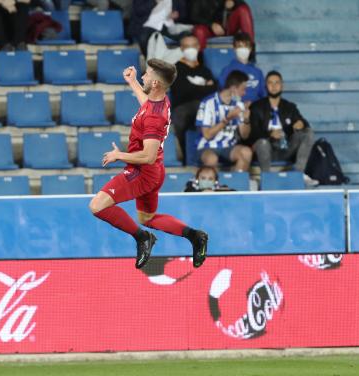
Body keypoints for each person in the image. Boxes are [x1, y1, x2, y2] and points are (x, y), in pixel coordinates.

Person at [89, 59, 208, 270]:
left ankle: (142, 238)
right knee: (148, 217)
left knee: (97, 206)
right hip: (155, 172)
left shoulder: (154, 118)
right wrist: (133, 82)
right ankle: (195, 236)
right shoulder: (160, 101)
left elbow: (148, 156)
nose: (143, 76)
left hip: (141, 172)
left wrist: (120, 156)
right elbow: (147, 105)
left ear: (155, 83)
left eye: (146, 74)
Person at [170, 33, 217, 160]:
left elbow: (214, 90)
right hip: (184, 107)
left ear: (198, 47)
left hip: (206, 107)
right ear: (181, 49)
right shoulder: (175, 69)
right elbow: (183, 91)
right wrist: (205, 86)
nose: (190, 49)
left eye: (193, 45)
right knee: (185, 114)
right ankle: (189, 158)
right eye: (186, 46)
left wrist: (194, 87)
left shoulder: (204, 70)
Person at [195, 70, 253, 171]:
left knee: (246, 152)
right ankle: (214, 186)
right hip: (207, 146)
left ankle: (236, 184)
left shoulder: (239, 105)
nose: (244, 93)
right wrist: (227, 119)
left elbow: (244, 135)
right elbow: (207, 135)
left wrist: (246, 119)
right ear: (234, 88)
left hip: (229, 147)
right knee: (212, 159)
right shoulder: (208, 103)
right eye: (243, 89)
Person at [218, 32, 265, 104]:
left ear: (251, 49)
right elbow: (223, 95)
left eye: (246, 46)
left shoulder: (258, 72)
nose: (243, 49)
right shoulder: (226, 71)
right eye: (240, 46)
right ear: (234, 48)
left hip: (255, 110)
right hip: (234, 110)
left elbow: (263, 95)